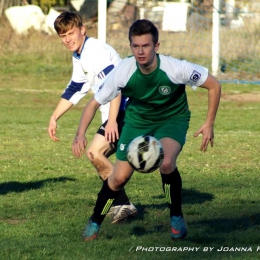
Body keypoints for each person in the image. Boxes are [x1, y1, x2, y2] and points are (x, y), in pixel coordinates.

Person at [72, 19, 221, 241]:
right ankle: (94, 222)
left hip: (172, 118)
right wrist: (80, 134)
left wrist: (209, 123)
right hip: (137, 121)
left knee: (167, 163)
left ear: (156, 46)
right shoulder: (123, 71)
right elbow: (94, 103)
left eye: (146, 46)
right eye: (135, 46)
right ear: (130, 46)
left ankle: (176, 218)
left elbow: (214, 85)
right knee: (118, 179)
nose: (140, 52)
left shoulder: (176, 68)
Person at [47, 11, 137, 223]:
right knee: (96, 154)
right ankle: (123, 204)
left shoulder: (95, 52)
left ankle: (123, 204)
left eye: (71, 33)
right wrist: (54, 117)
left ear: (82, 30)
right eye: (63, 35)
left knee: (95, 152)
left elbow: (117, 86)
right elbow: (76, 88)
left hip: (129, 109)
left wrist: (113, 120)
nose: (68, 39)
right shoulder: (79, 54)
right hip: (118, 112)